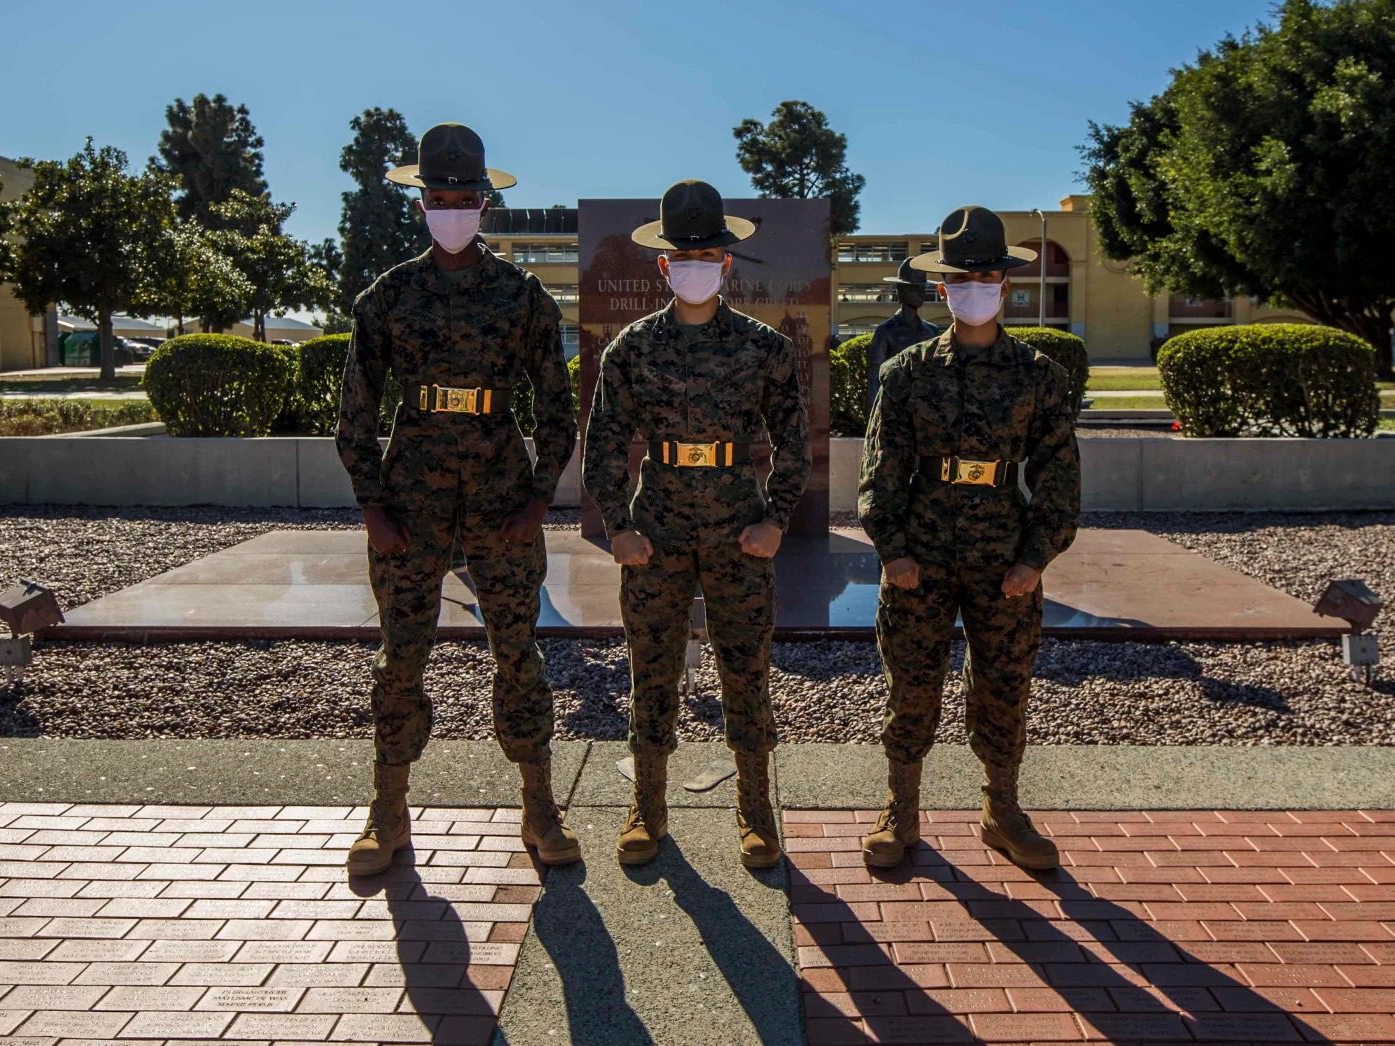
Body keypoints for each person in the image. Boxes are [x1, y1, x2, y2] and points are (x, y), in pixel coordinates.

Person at [336, 122, 580, 875]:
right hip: (411, 498)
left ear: (485, 205)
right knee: (400, 657)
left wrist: (539, 498)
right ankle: (388, 810)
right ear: (421, 206)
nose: (451, 210)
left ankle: (538, 807)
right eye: (437, 199)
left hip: (501, 493)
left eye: (463, 199)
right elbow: (355, 412)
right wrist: (373, 506)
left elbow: (556, 408)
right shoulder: (389, 296)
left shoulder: (520, 296)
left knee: (517, 652)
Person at [583, 180, 811, 870]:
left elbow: (794, 441)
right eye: (683, 256)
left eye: (707, 255)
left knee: (745, 671)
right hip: (657, 528)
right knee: (651, 670)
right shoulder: (632, 347)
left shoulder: (762, 348)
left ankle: (754, 810)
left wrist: (776, 517)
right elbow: (603, 442)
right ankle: (647, 808)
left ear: (727, 264)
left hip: (738, 526)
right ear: (662, 266)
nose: (695, 266)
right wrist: (617, 526)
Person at [857, 205, 1080, 871]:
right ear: (941, 288)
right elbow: (880, 471)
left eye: (985, 277)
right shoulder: (907, 372)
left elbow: (1058, 476)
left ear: (1004, 287)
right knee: (912, 685)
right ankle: (899, 809)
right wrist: (891, 549)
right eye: (961, 278)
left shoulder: (1038, 374)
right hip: (919, 557)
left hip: (1001, 555)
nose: (974, 289)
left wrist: (1036, 556)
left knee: (1004, 684)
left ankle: (1001, 810)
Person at [866, 259, 941, 414]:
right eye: (915, 288)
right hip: (893, 413)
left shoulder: (932, 331)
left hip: (925, 415)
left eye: (923, 288)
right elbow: (874, 381)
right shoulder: (885, 332)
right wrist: (873, 418)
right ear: (901, 290)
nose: (921, 293)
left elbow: (938, 380)